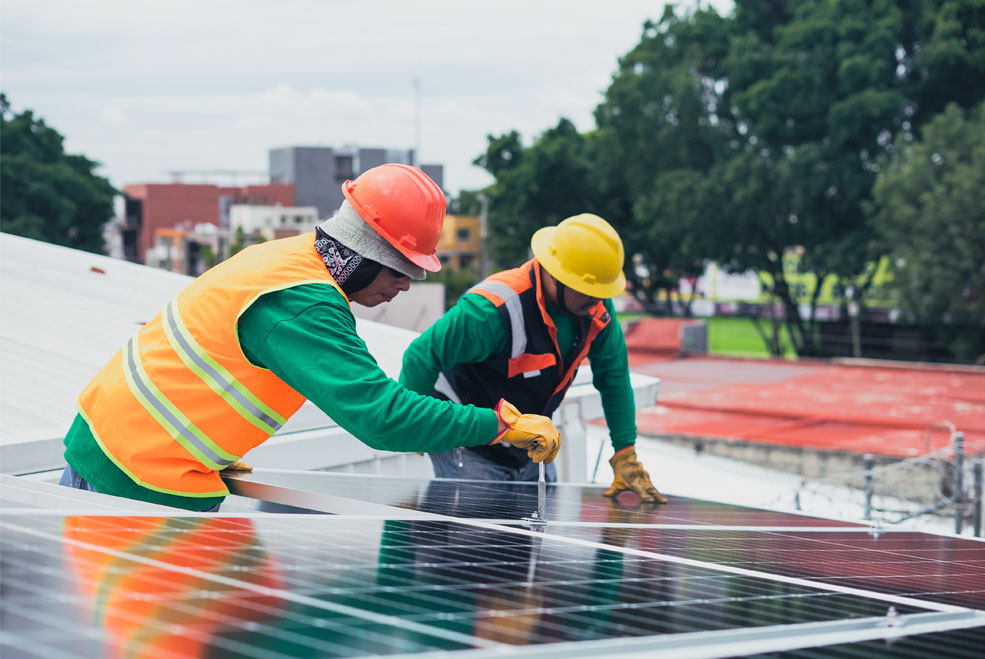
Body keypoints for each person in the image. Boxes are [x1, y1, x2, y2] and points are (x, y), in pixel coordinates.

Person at [58, 164, 560, 511]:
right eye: (402, 269)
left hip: (127, 450)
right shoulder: (302, 303)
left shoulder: (288, 259)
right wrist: (498, 424)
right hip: (132, 474)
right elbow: (380, 418)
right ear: (366, 251)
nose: (406, 285)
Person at [399, 213, 666, 503]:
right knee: (479, 536)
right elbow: (421, 356)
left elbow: (614, 379)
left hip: (531, 443)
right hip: (470, 444)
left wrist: (625, 452)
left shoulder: (595, 312)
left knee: (530, 537)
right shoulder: (492, 310)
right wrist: (417, 427)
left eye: (602, 293)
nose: (598, 301)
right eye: (589, 291)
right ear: (555, 276)